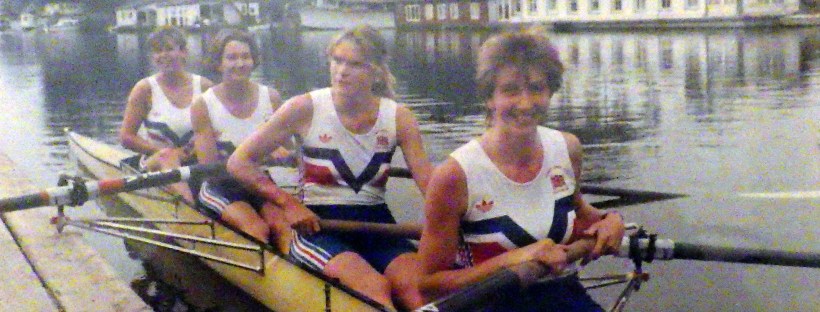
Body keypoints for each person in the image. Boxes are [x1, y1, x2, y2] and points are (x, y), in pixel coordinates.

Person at [416, 30, 626, 311]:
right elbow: (428, 287)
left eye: (537, 88)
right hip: (489, 304)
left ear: (550, 91)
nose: (526, 103)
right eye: (511, 90)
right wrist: (513, 259)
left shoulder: (567, 149)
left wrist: (611, 219)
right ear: (490, 98)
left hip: (563, 295)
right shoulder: (454, 176)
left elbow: (579, 211)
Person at [227, 25, 433, 311]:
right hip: (317, 225)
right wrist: (287, 203)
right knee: (374, 292)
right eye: (337, 60)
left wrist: (452, 222)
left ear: (375, 71)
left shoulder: (399, 117)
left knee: (422, 294)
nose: (341, 71)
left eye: (354, 64)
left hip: (378, 224)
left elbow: (428, 183)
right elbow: (239, 162)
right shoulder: (304, 107)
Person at [191, 28, 288, 248]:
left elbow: (287, 152)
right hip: (220, 185)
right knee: (256, 229)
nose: (240, 63)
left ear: (254, 61)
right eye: (232, 58)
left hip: (261, 183)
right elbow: (208, 166)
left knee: (283, 226)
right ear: (219, 64)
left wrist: (282, 153)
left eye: (245, 57)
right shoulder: (203, 105)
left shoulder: (271, 98)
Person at [119, 26, 214, 202]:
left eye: (169, 49)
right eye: (158, 51)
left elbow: (219, 129)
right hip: (156, 162)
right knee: (168, 156)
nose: (163, 55)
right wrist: (166, 151)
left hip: (196, 160)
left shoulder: (204, 87)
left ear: (184, 52)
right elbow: (126, 137)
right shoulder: (144, 89)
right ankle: (190, 209)